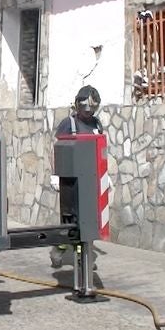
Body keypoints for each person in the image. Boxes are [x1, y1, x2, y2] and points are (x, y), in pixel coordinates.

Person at [51, 85, 103, 269]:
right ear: (78, 106)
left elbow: (100, 149)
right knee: (70, 219)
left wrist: (105, 175)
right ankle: (58, 248)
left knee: (88, 218)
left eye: (92, 109)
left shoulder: (96, 124)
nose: (88, 113)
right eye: (85, 109)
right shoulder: (69, 124)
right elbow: (57, 149)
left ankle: (83, 256)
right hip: (71, 181)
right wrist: (55, 175)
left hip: (91, 179)